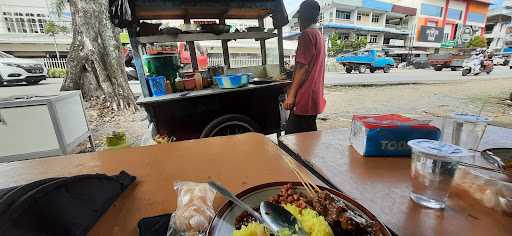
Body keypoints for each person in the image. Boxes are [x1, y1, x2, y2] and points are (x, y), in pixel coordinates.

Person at [283, 0, 326, 134]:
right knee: (308, 137)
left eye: (300, 15)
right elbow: (309, 63)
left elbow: (303, 69)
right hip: (314, 96)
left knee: (290, 138)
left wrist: (290, 96)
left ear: (303, 16)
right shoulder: (318, 34)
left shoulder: (307, 34)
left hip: (305, 97)